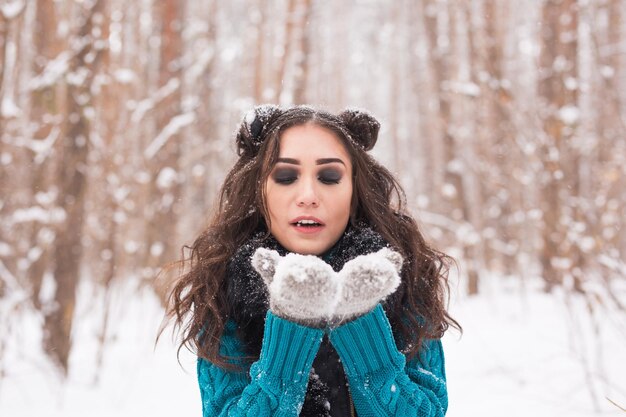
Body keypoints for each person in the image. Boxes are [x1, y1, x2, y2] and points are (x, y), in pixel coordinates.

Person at [165, 105, 460, 416]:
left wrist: (361, 320)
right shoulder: (225, 289)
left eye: (329, 176)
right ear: (259, 191)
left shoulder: (399, 279)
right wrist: (291, 323)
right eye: (285, 176)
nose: (308, 195)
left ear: (355, 190)